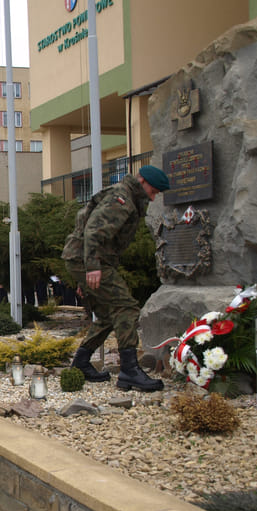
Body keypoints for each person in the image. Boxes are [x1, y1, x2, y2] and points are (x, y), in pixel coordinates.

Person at [61, 164, 170, 391]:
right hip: (88, 260)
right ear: (143, 182)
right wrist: (91, 268)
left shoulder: (126, 195)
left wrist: (86, 276)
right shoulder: (123, 199)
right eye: (154, 191)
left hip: (84, 259)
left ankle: (81, 362)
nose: (154, 196)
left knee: (106, 315)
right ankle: (129, 371)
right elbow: (93, 230)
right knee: (126, 307)